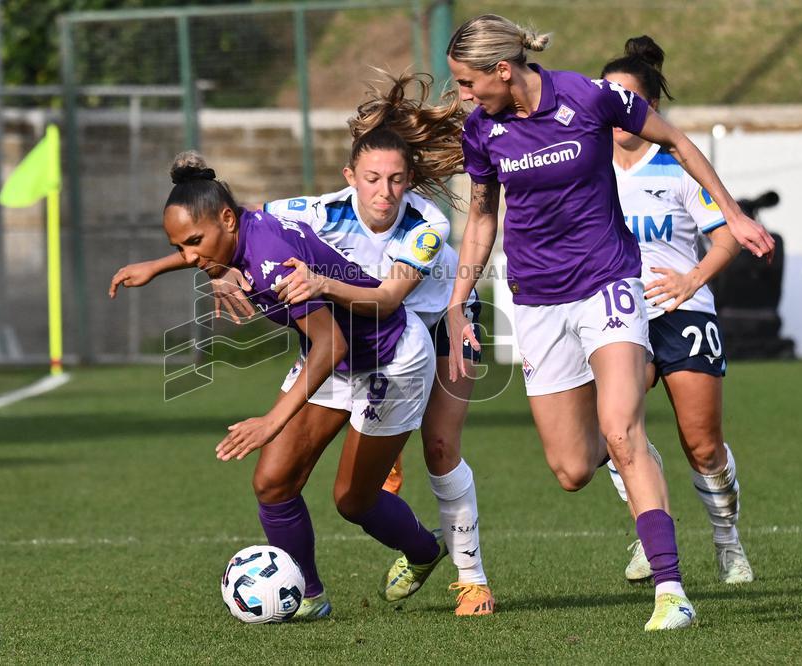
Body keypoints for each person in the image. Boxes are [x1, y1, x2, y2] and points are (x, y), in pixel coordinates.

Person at [442, 14, 772, 630]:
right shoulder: (481, 131)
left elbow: (676, 139)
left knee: (619, 429)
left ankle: (672, 592)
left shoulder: (588, 96)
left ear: (502, 70)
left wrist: (733, 213)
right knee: (571, 469)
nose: (462, 94)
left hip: (607, 283)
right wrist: (461, 302)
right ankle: (634, 454)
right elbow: (483, 217)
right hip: (537, 302)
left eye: (467, 81)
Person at [159, 152, 445, 621]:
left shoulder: (270, 257)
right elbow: (203, 241)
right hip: (339, 358)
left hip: (389, 359)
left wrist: (272, 421)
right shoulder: (250, 223)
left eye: (194, 244)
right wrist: (155, 268)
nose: (190, 258)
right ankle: (309, 597)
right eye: (179, 248)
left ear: (227, 220)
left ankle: (424, 550)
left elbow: (329, 344)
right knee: (273, 484)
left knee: (354, 500)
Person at [265, 72, 494, 616]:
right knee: (305, 486)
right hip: (361, 342)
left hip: (435, 328)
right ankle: (397, 544)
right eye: (371, 178)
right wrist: (227, 271)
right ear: (351, 177)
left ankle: (472, 579)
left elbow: (390, 299)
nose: (384, 191)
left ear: (409, 179)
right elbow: (249, 228)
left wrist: (319, 284)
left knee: (440, 449)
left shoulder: (427, 222)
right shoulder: (317, 214)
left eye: (395, 179)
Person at [601, 36, 753, 585]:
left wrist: (692, 279)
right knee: (610, 433)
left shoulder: (677, 166)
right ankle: (650, 529)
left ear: (649, 109)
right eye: (606, 97)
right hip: (617, 319)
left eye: (626, 99)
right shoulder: (586, 169)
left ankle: (728, 541)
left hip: (684, 315)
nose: (615, 110)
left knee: (702, 443)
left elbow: (727, 239)